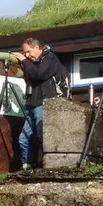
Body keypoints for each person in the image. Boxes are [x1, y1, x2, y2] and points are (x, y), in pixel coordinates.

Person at [17, 38, 68, 170]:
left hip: (45, 103)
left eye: (28, 52)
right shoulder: (33, 63)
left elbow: (39, 74)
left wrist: (23, 61)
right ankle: (26, 166)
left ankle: (47, 165)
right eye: (24, 53)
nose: (27, 55)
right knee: (24, 138)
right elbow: (31, 78)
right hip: (32, 104)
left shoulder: (50, 58)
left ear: (37, 47)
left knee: (42, 135)